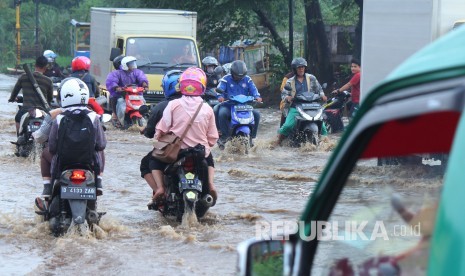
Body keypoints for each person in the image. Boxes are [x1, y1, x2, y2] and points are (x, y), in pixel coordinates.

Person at [151, 67, 218, 204]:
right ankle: (210, 185)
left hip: (176, 153)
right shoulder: (207, 108)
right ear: (202, 86)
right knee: (209, 158)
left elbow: (161, 130)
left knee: (152, 161)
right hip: (200, 153)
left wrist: (159, 138)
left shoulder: (173, 105)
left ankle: (160, 188)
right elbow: (212, 139)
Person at [47, 78, 106, 195]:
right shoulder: (94, 117)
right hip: (90, 163)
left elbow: (52, 148)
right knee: (101, 151)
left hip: (62, 163)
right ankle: (99, 181)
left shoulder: (58, 118)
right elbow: (101, 145)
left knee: (45, 154)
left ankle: (47, 188)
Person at [139, 70, 183, 204]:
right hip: (196, 148)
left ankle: (160, 190)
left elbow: (152, 132)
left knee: (147, 163)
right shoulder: (200, 105)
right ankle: (210, 187)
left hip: (170, 150)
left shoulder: (163, 107)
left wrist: (146, 131)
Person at [274, 57, 327, 146]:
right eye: (299, 67)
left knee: (323, 127)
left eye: (303, 67)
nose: (301, 69)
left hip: (312, 106)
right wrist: (287, 97)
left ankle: (327, 143)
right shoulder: (290, 81)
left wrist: (322, 96)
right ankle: (277, 142)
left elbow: (319, 89)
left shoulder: (312, 78)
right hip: (296, 106)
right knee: (287, 126)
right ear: (295, 69)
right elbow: (284, 93)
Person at [215, 60, 262, 145]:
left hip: (244, 106)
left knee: (256, 115)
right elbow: (219, 90)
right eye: (236, 76)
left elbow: (254, 90)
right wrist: (220, 96)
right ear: (232, 73)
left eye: (241, 76)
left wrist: (257, 97)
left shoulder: (247, 79)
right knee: (222, 113)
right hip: (229, 105)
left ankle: (252, 137)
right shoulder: (225, 79)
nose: (239, 78)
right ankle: (224, 136)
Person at [8, 55, 54, 135]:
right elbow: (49, 99)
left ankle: (19, 138)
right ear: (45, 67)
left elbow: (15, 92)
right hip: (43, 110)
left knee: (17, 118)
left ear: (35, 65)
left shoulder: (23, 77)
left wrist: (12, 99)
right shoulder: (48, 81)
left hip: (26, 109)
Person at [105, 56, 149, 127]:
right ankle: (116, 116)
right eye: (131, 64)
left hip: (134, 94)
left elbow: (142, 78)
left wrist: (145, 85)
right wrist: (116, 87)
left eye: (133, 63)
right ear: (125, 64)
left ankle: (143, 115)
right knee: (118, 100)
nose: (133, 65)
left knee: (142, 101)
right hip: (122, 94)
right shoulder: (116, 73)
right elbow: (112, 81)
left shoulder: (137, 72)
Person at [105, 55, 125, 124]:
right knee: (114, 98)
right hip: (119, 94)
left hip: (130, 94)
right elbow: (112, 82)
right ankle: (115, 115)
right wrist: (116, 87)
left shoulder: (131, 72)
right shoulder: (115, 74)